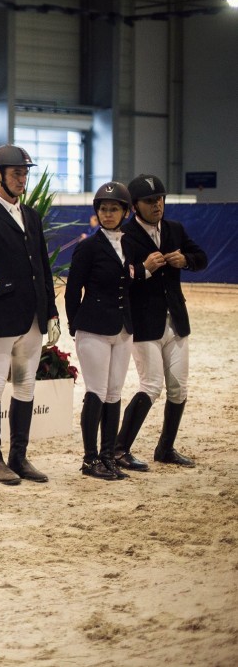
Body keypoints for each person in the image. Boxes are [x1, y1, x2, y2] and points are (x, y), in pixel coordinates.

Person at [0, 144, 60, 485]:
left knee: (26, 384)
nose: (22, 179)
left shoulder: (31, 215)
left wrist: (51, 311)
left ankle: (19, 456)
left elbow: (43, 267)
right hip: (0, 314)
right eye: (16, 173)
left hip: (31, 314)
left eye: (24, 174)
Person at [114, 174, 208, 469]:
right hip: (144, 323)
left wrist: (186, 260)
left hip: (176, 320)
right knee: (152, 385)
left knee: (179, 388)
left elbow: (201, 257)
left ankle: (165, 449)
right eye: (150, 201)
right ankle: (119, 449)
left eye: (160, 199)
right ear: (135, 206)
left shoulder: (174, 229)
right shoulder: (125, 235)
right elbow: (117, 278)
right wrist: (142, 269)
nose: (157, 205)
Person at [65, 182, 137, 480]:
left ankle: (108, 456)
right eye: (103, 209)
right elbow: (72, 290)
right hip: (93, 328)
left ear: (125, 212)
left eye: (114, 209)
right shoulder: (88, 247)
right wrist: (75, 324)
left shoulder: (130, 245)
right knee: (96, 390)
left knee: (114, 392)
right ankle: (89, 458)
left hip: (122, 328)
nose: (108, 214)